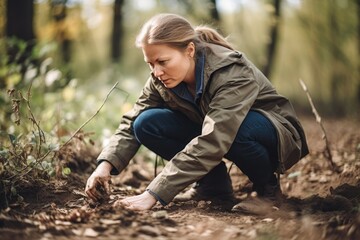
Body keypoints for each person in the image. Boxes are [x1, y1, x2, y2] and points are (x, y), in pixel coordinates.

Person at [85, 13, 309, 212]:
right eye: (150, 63)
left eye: (162, 61)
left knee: (236, 130)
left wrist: (153, 194)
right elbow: (132, 120)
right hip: (216, 128)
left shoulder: (231, 71)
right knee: (145, 123)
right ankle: (213, 186)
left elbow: (215, 137)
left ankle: (268, 193)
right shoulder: (159, 78)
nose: (156, 71)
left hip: (275, 131)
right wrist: (104, 166)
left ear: (190, 50)